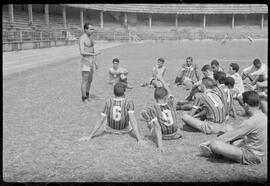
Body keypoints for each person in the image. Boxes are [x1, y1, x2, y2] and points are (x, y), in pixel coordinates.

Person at [199, 91, 267, 165]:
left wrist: (209, 142)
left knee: (215, 144)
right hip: (252, 149)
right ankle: (224, 150)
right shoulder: (263, 116)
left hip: (252, 156)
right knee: (228, 128)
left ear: (246, 105)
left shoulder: (251, 122)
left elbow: (230, 136)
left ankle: (215, 152)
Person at [79, 83, 146, 144]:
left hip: (110, 129)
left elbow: (100, 120)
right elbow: (133, 121)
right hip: (125, 129)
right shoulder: (129, 102)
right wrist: (139, 139)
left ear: (113, 92)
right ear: (124, 92)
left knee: (105, 116)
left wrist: (90, 136)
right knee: (130, 116)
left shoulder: (108, 101)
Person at [141, 78, 182, 151]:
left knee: (152, 125)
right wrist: (161, 79)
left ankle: (148, 120)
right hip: (176, 134)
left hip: (164, 136)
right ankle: (149, 119)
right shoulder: (171, 104)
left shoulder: (153, 108)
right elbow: (170, 92)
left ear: (155, 98)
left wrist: (160, 146)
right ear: (166, 97)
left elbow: (157, 127)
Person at [79, 23, 101, 103]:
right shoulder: (82, 38)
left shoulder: (90, 38)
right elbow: (82, 52)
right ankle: (84, 98)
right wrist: (93, 54)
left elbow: (92, 49)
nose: (93, 31)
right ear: (85, 29)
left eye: (93, 29)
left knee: (90, 80)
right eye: (91, 29)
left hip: (91, 62)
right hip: (85, 63)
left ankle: (87, 95)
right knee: (85, 81)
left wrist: (95, 61)